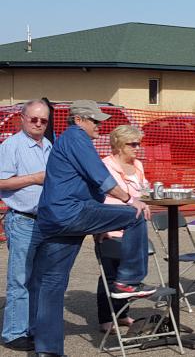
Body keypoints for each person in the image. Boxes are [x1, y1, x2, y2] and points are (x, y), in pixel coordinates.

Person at [30, 100, 155, 356]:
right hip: (71, 213)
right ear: (79, 120)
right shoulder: (76, 137)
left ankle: (48, 350)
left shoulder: (67, 140)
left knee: (52, 283)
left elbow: (92, 180)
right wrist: (130, 199)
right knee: (133, 215)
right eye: (94, 120)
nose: (99, 125)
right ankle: (128, 281)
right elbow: (100, 176)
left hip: (55, 218)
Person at [0, 99, 52, 352]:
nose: (39, 124)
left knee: (38, 280)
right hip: (22, 219)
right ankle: (13, 333)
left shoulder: (48, 145)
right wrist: (35, 178)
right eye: (34, 119)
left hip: (44, 221)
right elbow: (1, 182)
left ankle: (31, 327)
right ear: (22, 118)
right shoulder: (12, 145)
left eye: (43, 120)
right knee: (20, 279)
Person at [97, 125, 149, 334]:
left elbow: (143, 188)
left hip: (134, 227)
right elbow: (106, 194)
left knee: (127, 275)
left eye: (139, 143)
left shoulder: (137, 165)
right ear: (119, 145)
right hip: (111, 226)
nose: (137, 148)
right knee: (110, 273)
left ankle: (123, 314)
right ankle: (106, 318)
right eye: (133, 144)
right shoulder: (105, 166)